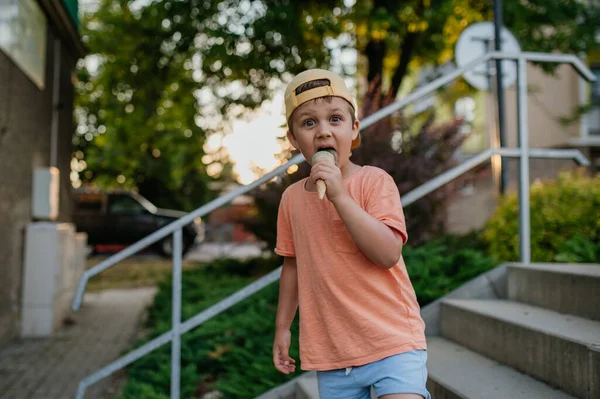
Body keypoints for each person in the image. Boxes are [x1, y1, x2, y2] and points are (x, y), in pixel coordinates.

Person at [272, 68, 430, 399]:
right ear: (293, 139)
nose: (323, 132)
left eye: (335, 119)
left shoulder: (374, 181)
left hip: (392, 338)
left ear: (354, 129)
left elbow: (388, 254)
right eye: (309, 123)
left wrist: (340, 196)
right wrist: (283, 328)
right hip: (333, 353)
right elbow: (292, 266)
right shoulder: (291, 200)